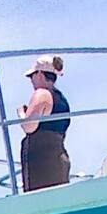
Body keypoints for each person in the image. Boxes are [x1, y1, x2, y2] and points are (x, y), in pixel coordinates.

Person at [18, 55, 71, 192]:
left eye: (32, 76)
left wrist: (21, 114)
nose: (31, 81)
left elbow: (29, 126)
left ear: (40, 74)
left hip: (43, 162)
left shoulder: (41, 94)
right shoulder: (62, 99)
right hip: (59, 159)